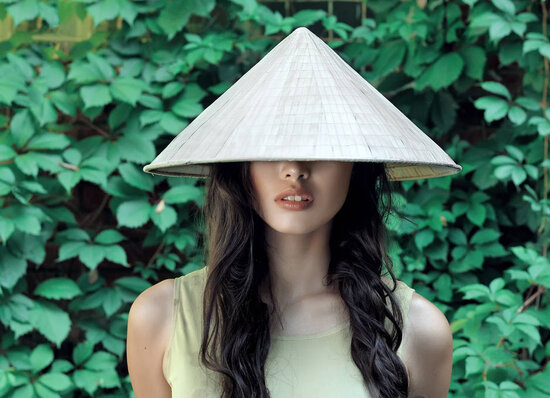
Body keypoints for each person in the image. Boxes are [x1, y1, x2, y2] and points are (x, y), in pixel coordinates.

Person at [127, 26, 460, 398]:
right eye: (270, 147)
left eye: (322, 145)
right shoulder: (161, 317)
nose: (294, 168)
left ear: (356, 166)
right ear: (240, 168)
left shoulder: (419, 329)